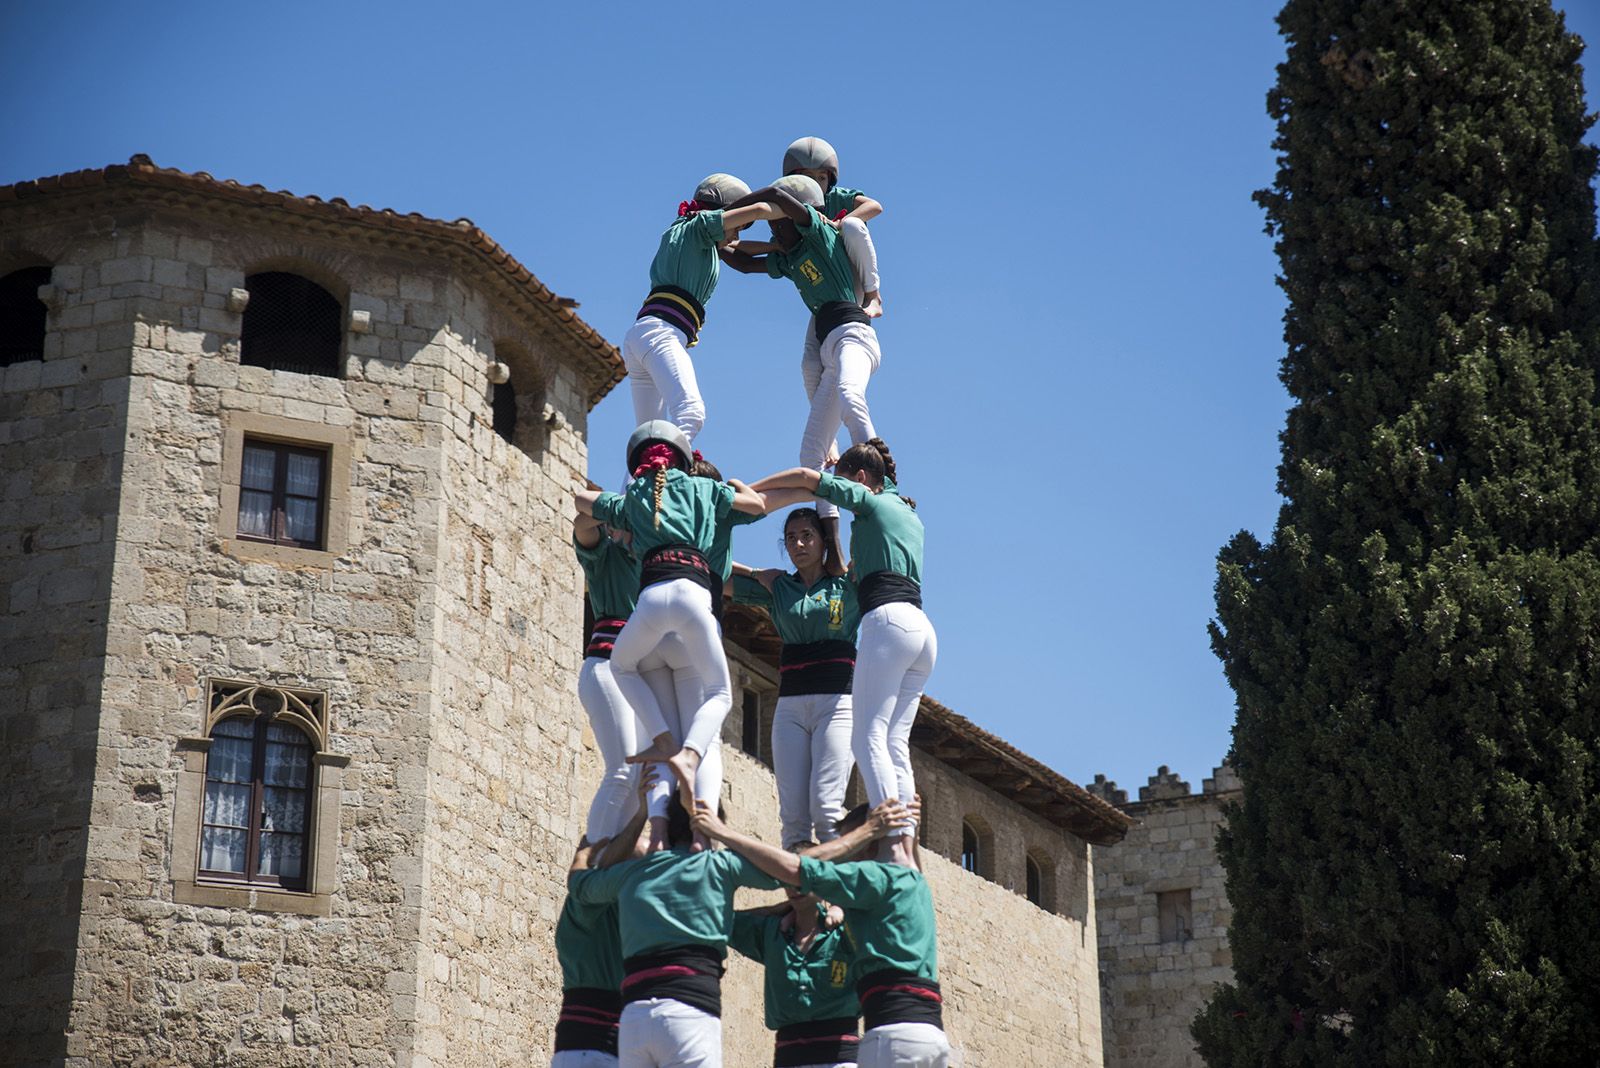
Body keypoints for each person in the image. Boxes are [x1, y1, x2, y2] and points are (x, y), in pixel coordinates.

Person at [751, 440, 931, 868]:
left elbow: (808, 480)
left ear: (862, 481)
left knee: (868, 738)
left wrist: (751, 495)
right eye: (790, 538)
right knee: (894, 742)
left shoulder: (869, 504)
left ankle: (890, 841)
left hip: (886, 623)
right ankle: (904, 839)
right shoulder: (906, 512)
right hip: (921, 629)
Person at [575, 421, 766, 815]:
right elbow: (757, 506)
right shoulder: (702, 492)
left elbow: (581, 501)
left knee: (624, 673)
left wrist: (630, 508)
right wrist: (735, 487)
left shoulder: (636, 509)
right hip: (691, 605)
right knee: (717, 699)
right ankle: (692, 766)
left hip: (648, 620)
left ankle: (664, 763)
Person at [693, 802, 948, 1068]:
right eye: (787, 884)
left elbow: (899, 898)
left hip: (842, 1056)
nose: (794, 887)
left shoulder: (845, 930)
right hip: (789, 1056)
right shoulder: (771, 933)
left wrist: (910, 835)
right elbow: (719, 919)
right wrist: (776, 910)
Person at [720, 175, 881, 565]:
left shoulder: (819, 238)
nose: (774, 227)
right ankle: (835, 554)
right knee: (813, 451)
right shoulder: (791, 257)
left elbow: (777, 196)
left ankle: (882, 482)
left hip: (853, 335)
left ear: (801, 216)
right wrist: (716, 237)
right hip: (828, 348)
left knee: (849, 395)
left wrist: (733, 208)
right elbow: (741, 262)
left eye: (778, 221)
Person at [566, 795, 782, 1068]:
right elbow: (787, 870)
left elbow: (580, 886)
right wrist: (726, 834)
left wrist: (583, 856)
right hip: (689, 1011)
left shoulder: (636, 874)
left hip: (636, 1019)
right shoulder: (716, 867)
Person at [625, 174, 791, 443]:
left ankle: (641, 482)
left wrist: (773, 246)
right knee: (691, 413)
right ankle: (666, 469)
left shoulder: (691, 233)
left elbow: (738, 248)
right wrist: (802, 216)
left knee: (649, 436)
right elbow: (760, 210)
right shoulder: (700, 227)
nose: (736, 235)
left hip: (643, 335)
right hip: (662, 333)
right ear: (723, 212)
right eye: (737, 225)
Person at [729, 508, 859, 849]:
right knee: (793, 818)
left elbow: (878, 552)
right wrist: (756, 572)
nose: (798, 543)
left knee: (826, 809)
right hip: (789, 706)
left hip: (837, 702)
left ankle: (837, 898)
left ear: (823, 540)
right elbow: (716, 574)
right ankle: (799, 899)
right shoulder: (779, 587)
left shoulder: (847, 584)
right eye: (790, 538)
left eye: (807, 535)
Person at [573, 507, 641, 841]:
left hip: (639, 679)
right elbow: (583, 525)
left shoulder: (657, 566)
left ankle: (616, 854)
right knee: (624, 767)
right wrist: (619, 509)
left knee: (641, 775)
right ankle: (593, 856)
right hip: (607, 667)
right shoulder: (607, 557)